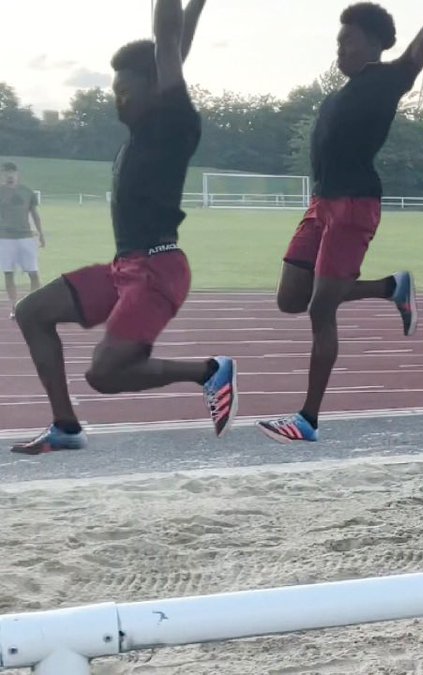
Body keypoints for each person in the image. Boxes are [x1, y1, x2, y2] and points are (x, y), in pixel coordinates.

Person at [10, 0, 234, 454]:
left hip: (157, 270)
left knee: (104, 374)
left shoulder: (174, 124)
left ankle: (209, 372)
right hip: (124, 269)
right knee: (31, 312)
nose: (118, 103)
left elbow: (169, 42)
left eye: (126, 93)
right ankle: (66, 427)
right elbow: (173, 48)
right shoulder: (147, 127)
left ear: (155, 90)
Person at [257, 1, 423, 444]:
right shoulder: (336, 95)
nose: (339, 49)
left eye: (348, 40)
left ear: (374, 43)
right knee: (291, 297)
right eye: (337, 41)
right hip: (321, 205)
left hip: (354, 206)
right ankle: (390, 288)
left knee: (321, 307)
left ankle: (307, 419)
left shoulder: (390, 78)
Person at [0, 162, 45, 317]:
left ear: (17, 174)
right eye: (6, 172)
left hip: (26, 237)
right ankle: (14, 307)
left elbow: (34, 214)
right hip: (5, 238)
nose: (9, 175)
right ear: (2, 174)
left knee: (33, 272)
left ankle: (31, 307)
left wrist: (41, 234)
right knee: (8, 273)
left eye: (12, 172)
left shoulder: (27, 192)